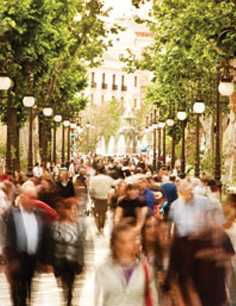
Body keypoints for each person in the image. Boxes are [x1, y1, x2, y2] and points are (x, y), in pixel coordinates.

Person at [1, 184, 48, 306]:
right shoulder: (10, 214)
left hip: (32, 260)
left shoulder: (39, 215)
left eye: (35, 197)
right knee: (17, 292)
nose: (34, 201)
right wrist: (9, 260)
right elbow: (5, 237)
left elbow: (43, 238)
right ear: (22, 197)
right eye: (30, 197)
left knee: (28, 290)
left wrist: (44, 260)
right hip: (15, 260)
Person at [95, 219, 158, 306]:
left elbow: (153, 299)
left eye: (135, 239)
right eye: (131, 239)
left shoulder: (145, 269)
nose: (137, 242)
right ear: (118, 244)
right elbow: (97, 300)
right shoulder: (103, 270)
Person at [48, 197, 85, 306]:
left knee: (71, 285)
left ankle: (68, 300)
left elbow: (82, 245)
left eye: (76, 210)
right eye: (72, 209)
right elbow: (52, 244)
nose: (74, 212)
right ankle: (67, 300)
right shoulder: (56, 225)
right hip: (60, 261)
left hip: (74, 261)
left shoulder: (79, 226)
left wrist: (82, 261)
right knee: (65, 284)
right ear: (66, 210)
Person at [89, 165, 114, 233]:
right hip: (106, 198)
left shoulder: (93, 178)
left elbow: (91, 189)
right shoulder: (108, 178)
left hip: (96, 198)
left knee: (97, 213)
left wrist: (92, 196)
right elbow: (113, 185)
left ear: (97, 171)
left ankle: (98, 227)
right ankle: (102, 227)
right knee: (103, 213)